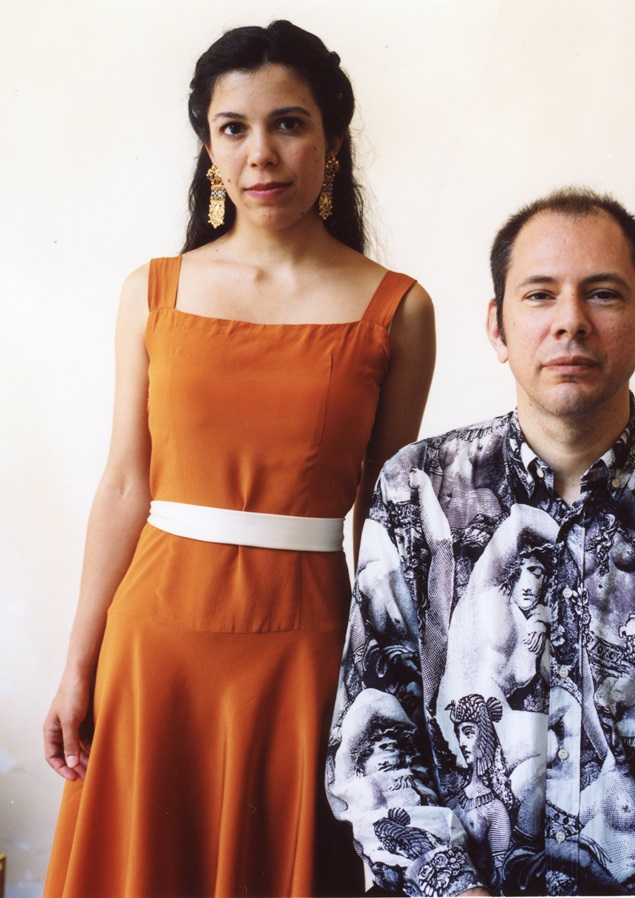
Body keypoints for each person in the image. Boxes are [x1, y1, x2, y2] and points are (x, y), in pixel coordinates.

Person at [42, 20, 435, 898]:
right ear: (210, 149)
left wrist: (393, 683)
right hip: (154, 640)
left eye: (289, 123)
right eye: (234, 128)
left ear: (332, 140)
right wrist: (77, 664)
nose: (262, 153)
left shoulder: (397, 309)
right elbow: (124, 484)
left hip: (306, 647)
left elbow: (384, 520)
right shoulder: (152, 292)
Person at [326, 188, 635, 895]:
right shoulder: (414, 492)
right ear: (497, 327)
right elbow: (371, 749)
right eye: (540, 295)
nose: (570, 321)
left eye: (603, 295)